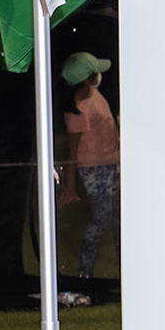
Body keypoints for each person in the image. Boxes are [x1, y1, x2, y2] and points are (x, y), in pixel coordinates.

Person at [58, 51, 119, 288]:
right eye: (95, 72)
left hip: (110, 164)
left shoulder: (94, 94)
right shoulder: (78, 110)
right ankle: (84, 275)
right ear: (86, 79)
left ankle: (125, 268)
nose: (99, 75)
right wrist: (70, 188)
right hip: (94, 169)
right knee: (101, 219)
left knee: (117, 219)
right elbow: (72, 154)